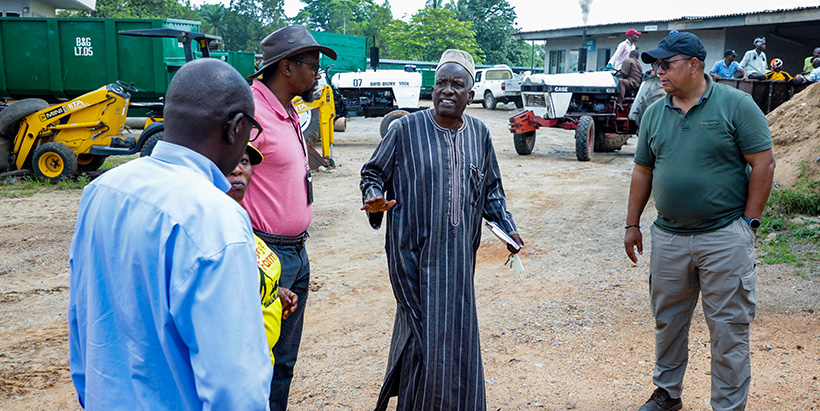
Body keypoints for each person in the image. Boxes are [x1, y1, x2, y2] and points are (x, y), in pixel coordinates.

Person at [68, 59, 273, 409]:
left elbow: (84, 323)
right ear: (236, 128)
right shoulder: (217, 218)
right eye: (251, 131)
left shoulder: (103, 190)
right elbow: (236, 390)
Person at [360, 49, 524, 411]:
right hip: (413, 262)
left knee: (459, 346)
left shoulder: (479, 134)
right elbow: (373, 173)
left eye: (457, 84)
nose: (447, 90)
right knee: (422, 345)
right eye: (441, 83)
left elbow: (490, 189)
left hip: (459, 267)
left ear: (470, 93)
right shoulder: (406, 130)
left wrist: (507, 230)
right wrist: (374, 197)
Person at [626, 31, 775, 411]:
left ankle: (727, 405)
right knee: (668, 322)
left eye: (666, 64)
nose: (658, 72)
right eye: (656, 65)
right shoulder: (656, 112)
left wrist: (749, 224)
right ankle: (667, 393)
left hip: (724, 236)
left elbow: (764, 163)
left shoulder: (736, 105)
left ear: (694, 65)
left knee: (728, 330)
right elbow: (643, 170)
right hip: (670, 237)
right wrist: (632, 224)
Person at [242, 24, 336, 410]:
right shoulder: (252, 111)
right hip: (266, 253)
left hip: (296, 253)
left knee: (283, 361)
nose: (317, 75)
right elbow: (229, 186)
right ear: (285, 67)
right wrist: (251, 259)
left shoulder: (289, 110)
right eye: (312, 67)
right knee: (255, 359)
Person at [227, 144, 300, 367]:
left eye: (245, 162)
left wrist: (273, 291)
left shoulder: (239, 218)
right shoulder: (214, 226)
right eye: (229, 163)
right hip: (239, 367)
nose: (238, 170)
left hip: (260, 363)